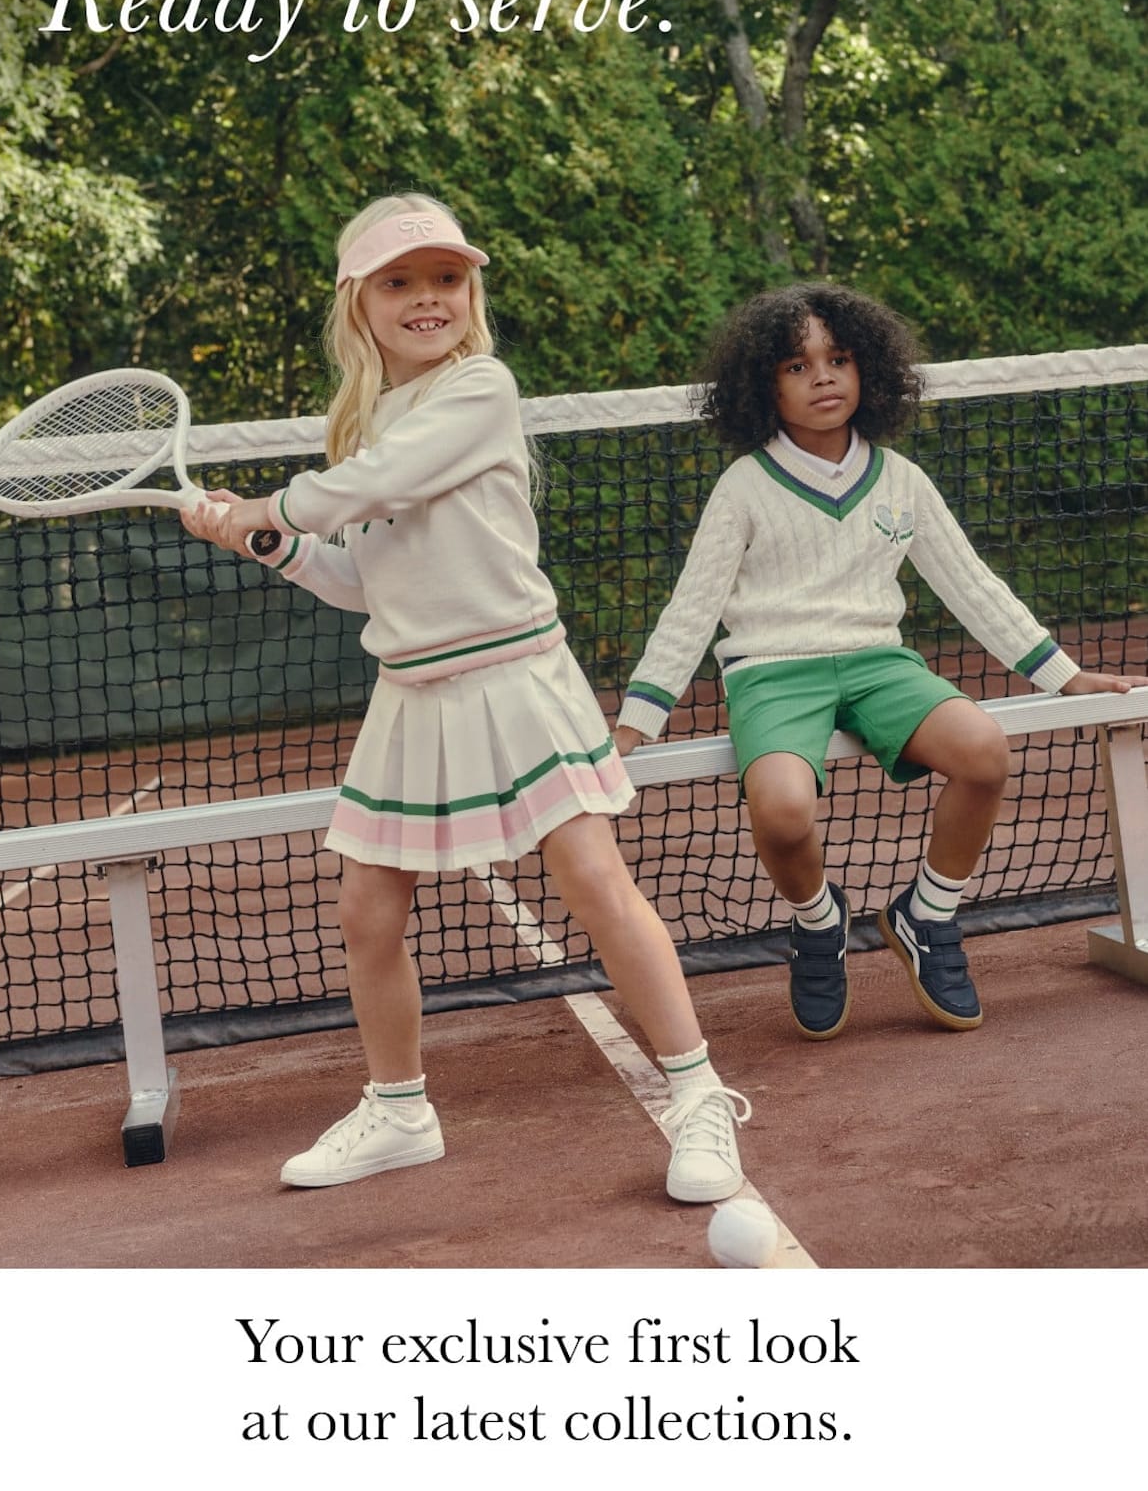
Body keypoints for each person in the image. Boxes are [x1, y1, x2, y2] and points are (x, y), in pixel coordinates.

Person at [183, 192, 747, 1202]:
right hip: (413, 692)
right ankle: (400, 1109)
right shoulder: (365, 420)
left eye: (445, 277)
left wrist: (268, 503)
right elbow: (365, 572)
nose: (427, 297)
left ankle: (700, 1098)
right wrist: (271, 542)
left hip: (515, 675)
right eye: (399, 280)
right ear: (358, 301)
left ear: (470, 292)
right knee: (366, 908)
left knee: (589, 875)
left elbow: (372, 485)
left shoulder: (479, 387)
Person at [614, 283, 1142, 1041]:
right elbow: (691, 610)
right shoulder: (742, 488)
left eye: (840, 359)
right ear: (763, 386)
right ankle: (818, 921)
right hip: (770, 670)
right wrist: (637, 723)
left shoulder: (900, 478)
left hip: (879, 665)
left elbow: (970, 584)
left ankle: (927, 915)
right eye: (797, 365)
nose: (823, 377)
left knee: (984, 751)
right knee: (783, 810)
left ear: (870, 371)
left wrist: (1063, 674)